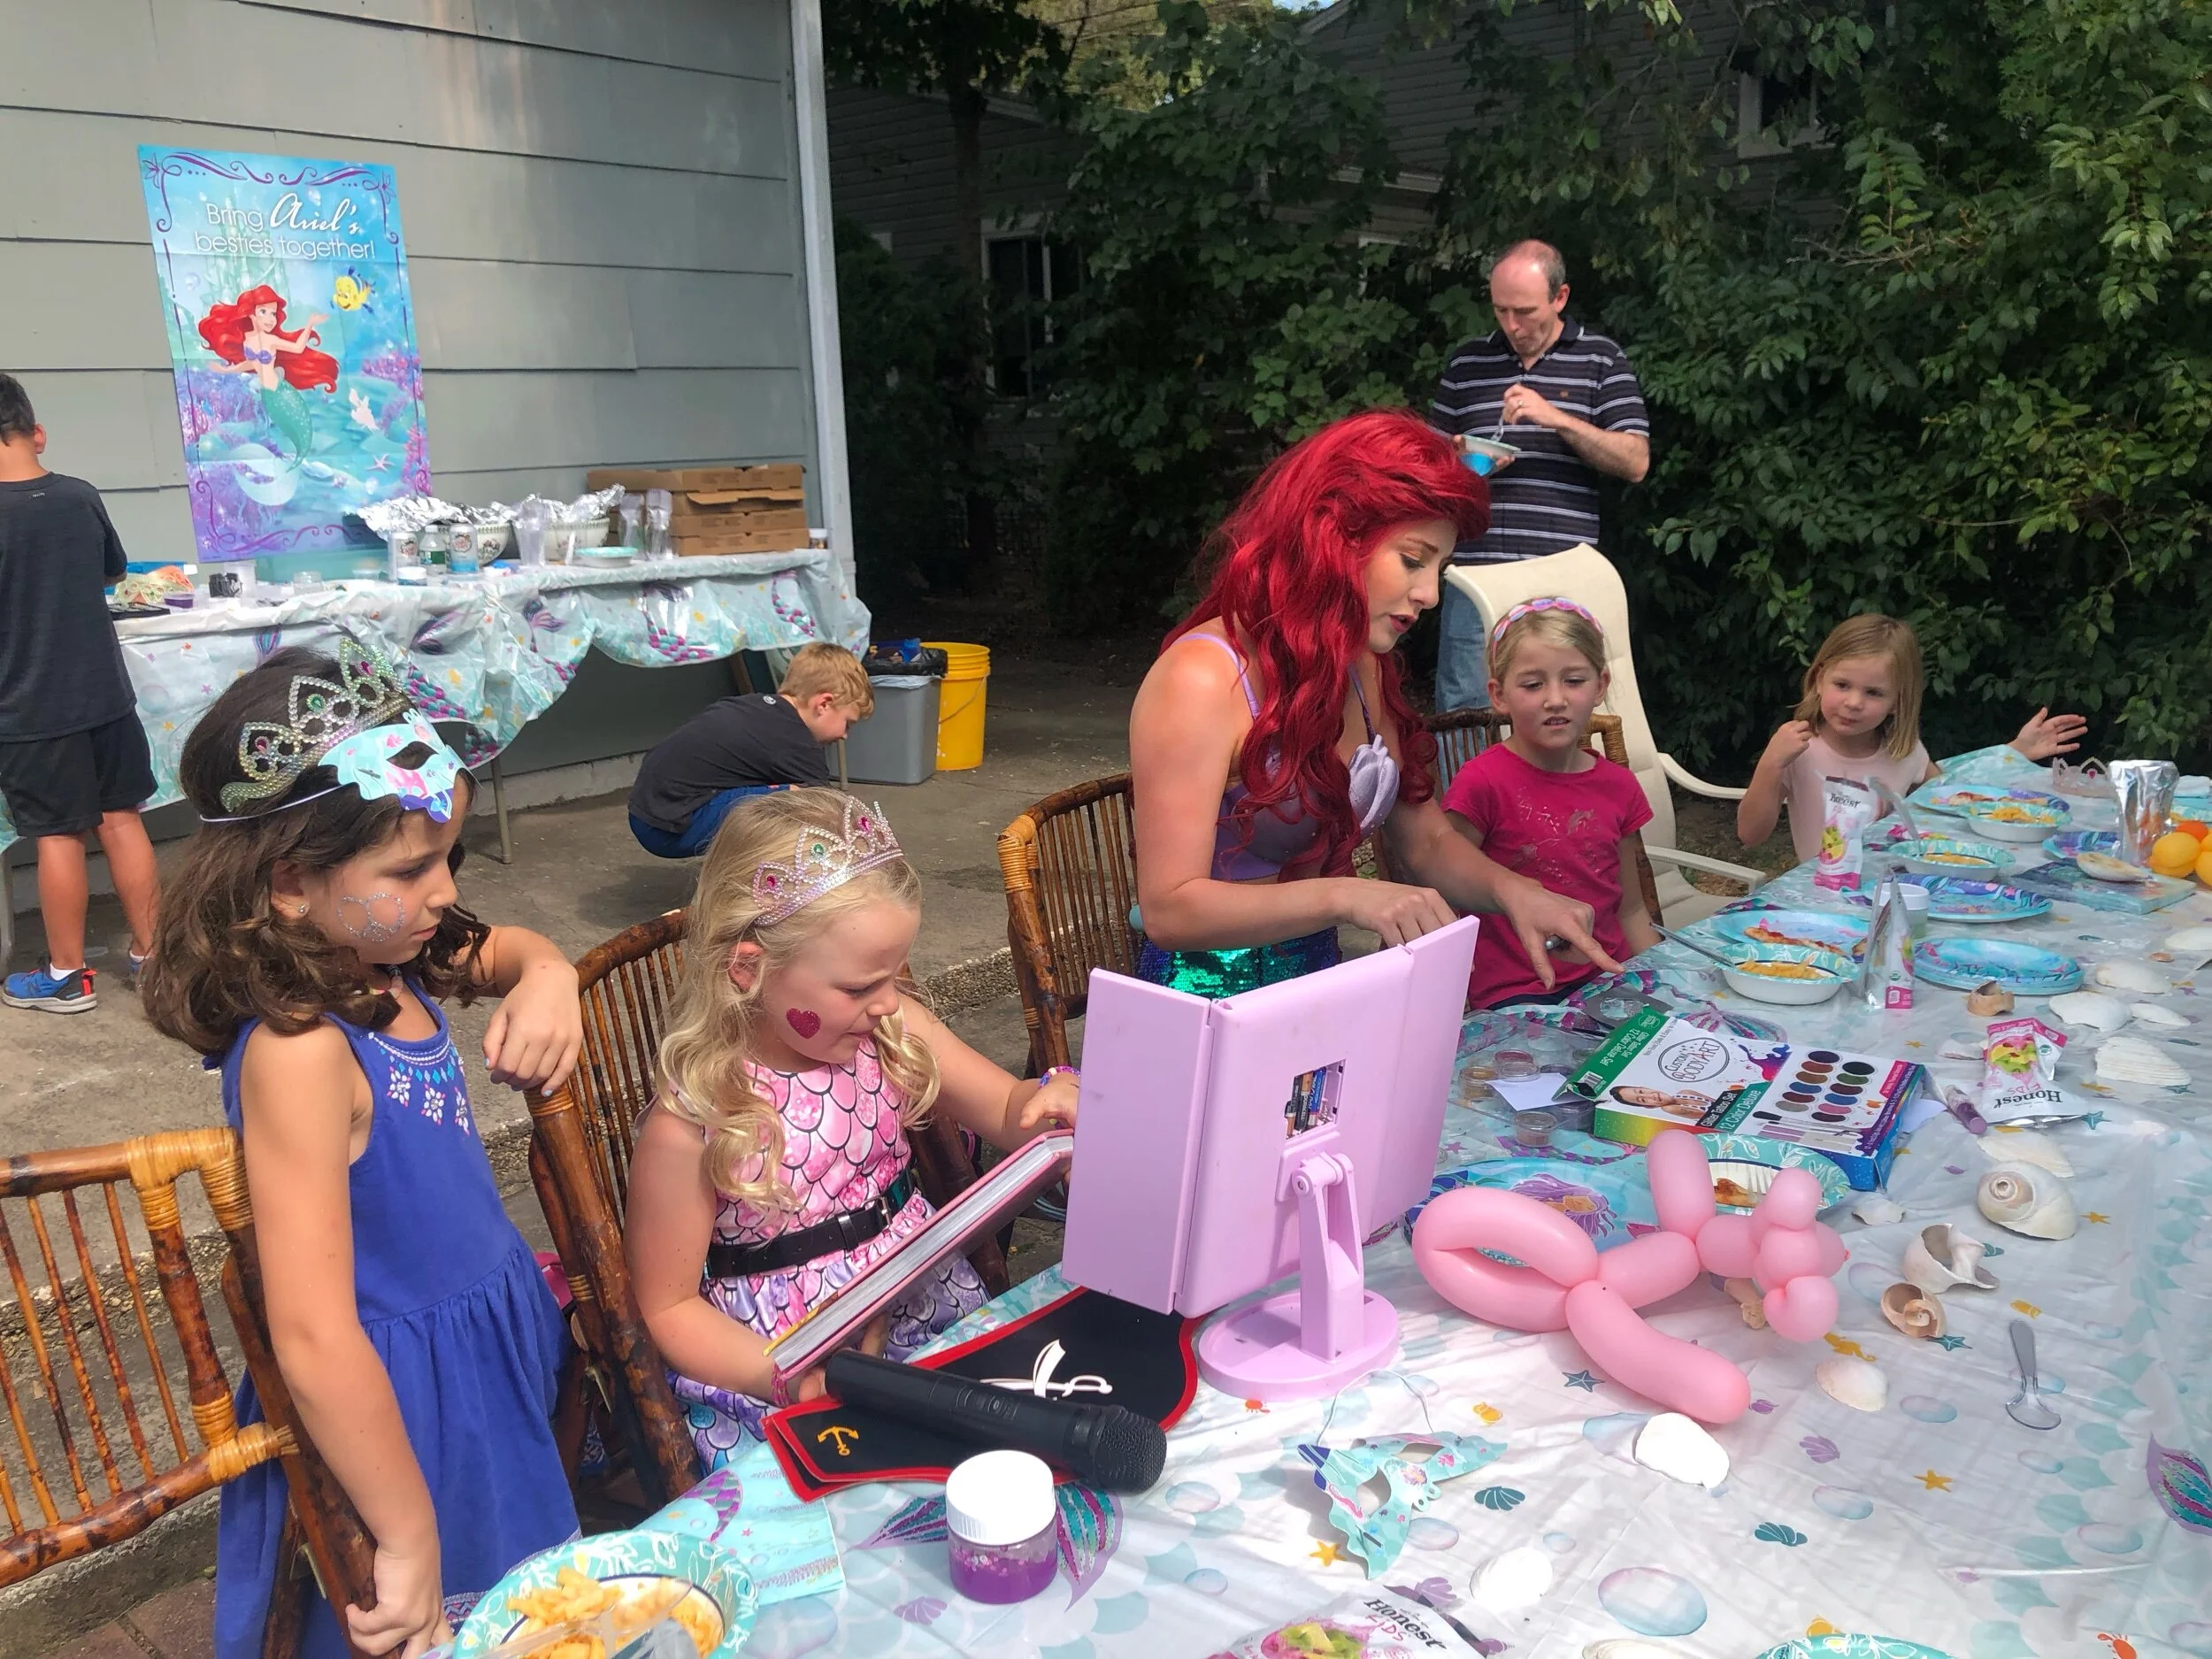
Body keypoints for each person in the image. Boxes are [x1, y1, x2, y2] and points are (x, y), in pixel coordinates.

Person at [139, 641, 586, 1659]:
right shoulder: (301, 1051)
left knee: (519, 1618)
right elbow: (309, 1331)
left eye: (450, 859)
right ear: (292, 884)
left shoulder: (388, 952)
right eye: (412, 868)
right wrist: (407, 1527)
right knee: (432, 1622)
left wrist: (548, 972)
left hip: (477, 1360)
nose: (442, 893)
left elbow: (505, 947)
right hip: (395, 1406)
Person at [624, 788, 1078, 1466]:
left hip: (928, 1308)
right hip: (787, 1363)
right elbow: (668, 1308)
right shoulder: (695, 1121)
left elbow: (1007, 1106)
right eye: (861, 986)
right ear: (748, 970)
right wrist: (787, 1374)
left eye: (893, 975)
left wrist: (1049, 1101)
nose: (889, 1001)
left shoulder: (893, 1032)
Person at [1126, 408, 1621, 1000]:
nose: (1430, 593)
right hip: (1204, 1005)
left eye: (1440, 567)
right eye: (1413, 559)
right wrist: (1349, 895)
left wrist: (1517, 892)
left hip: (1313, 991)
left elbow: (1426, 841)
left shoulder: (1359, 661)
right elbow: (1169, 910)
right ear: (1334, 538)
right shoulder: (1202, 678)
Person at [1429, 240, 1651, 710]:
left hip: (1561, 574)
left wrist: (1557, 419)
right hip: (1476, 572)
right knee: (1465, 708)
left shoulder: (1601, 359)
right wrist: (1462, 461)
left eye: (1525, 312)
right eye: (1501, 310)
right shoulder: (1467, 363)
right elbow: (1427, 465)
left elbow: (1635, 462)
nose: (1511, 325)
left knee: (1560, 708)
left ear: (1560, 297)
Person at [0, 373, 162, 1014]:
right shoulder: (79, 495)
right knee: (123, 820)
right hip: (105, 697)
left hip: (29, 708)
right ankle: (153, 956)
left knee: (59, 836)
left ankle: (66, 974)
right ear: (35, 432)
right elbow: (112, 572)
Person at [1441, 599, 1658, 1009]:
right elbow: (1445, 884)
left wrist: (1659, 982)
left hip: (1610, 979)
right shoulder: (1481, 783)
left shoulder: (1619, 785)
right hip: (1516, 994)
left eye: (1573, 680)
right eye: (1533, 685)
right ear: (1499, 695)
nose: (1555, 699)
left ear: (1601, 685)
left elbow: (1631, 909)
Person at [1736, 614, 2087, 862]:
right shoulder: (1797, 750)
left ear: (1897, 702)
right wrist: (1770, 764)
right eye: (1842, 685)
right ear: (1818, 680)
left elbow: (1954, 797)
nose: (1854, 702)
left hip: (1899, 894)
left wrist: (2013, 752)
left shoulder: (1904, 753)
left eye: (1874, 693)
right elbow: (1750, 835)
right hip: (1826, 906)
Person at [627, 642, 873, 858]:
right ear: (824, 704)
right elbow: (832, 811)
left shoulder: (757, 708)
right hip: (667, 828)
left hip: (648, 809)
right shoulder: (795, 739)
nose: (845, 735)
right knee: (804, 803)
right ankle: (760, 879)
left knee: (786, 793)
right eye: (848, 723)